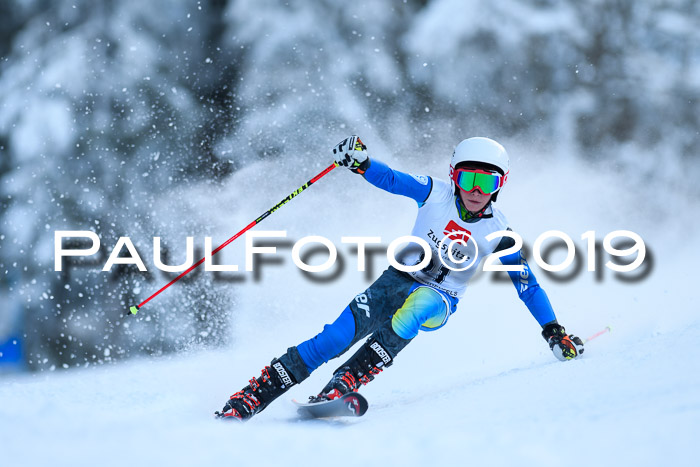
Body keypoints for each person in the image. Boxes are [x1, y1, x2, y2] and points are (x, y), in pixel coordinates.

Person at [216, 136, 584, 420]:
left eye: (485, 182)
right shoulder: (434, 193)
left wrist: (553, 330)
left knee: (416, 308)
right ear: (453, 175)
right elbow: (392, 180)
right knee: (334, 338)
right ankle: (253, 395)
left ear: (499, 185)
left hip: (440, 297)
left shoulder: (499, 233)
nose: (475, 190)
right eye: (467, 177)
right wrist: (362, 164)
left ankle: (346, 381)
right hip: (395, 281)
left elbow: (527, 286)